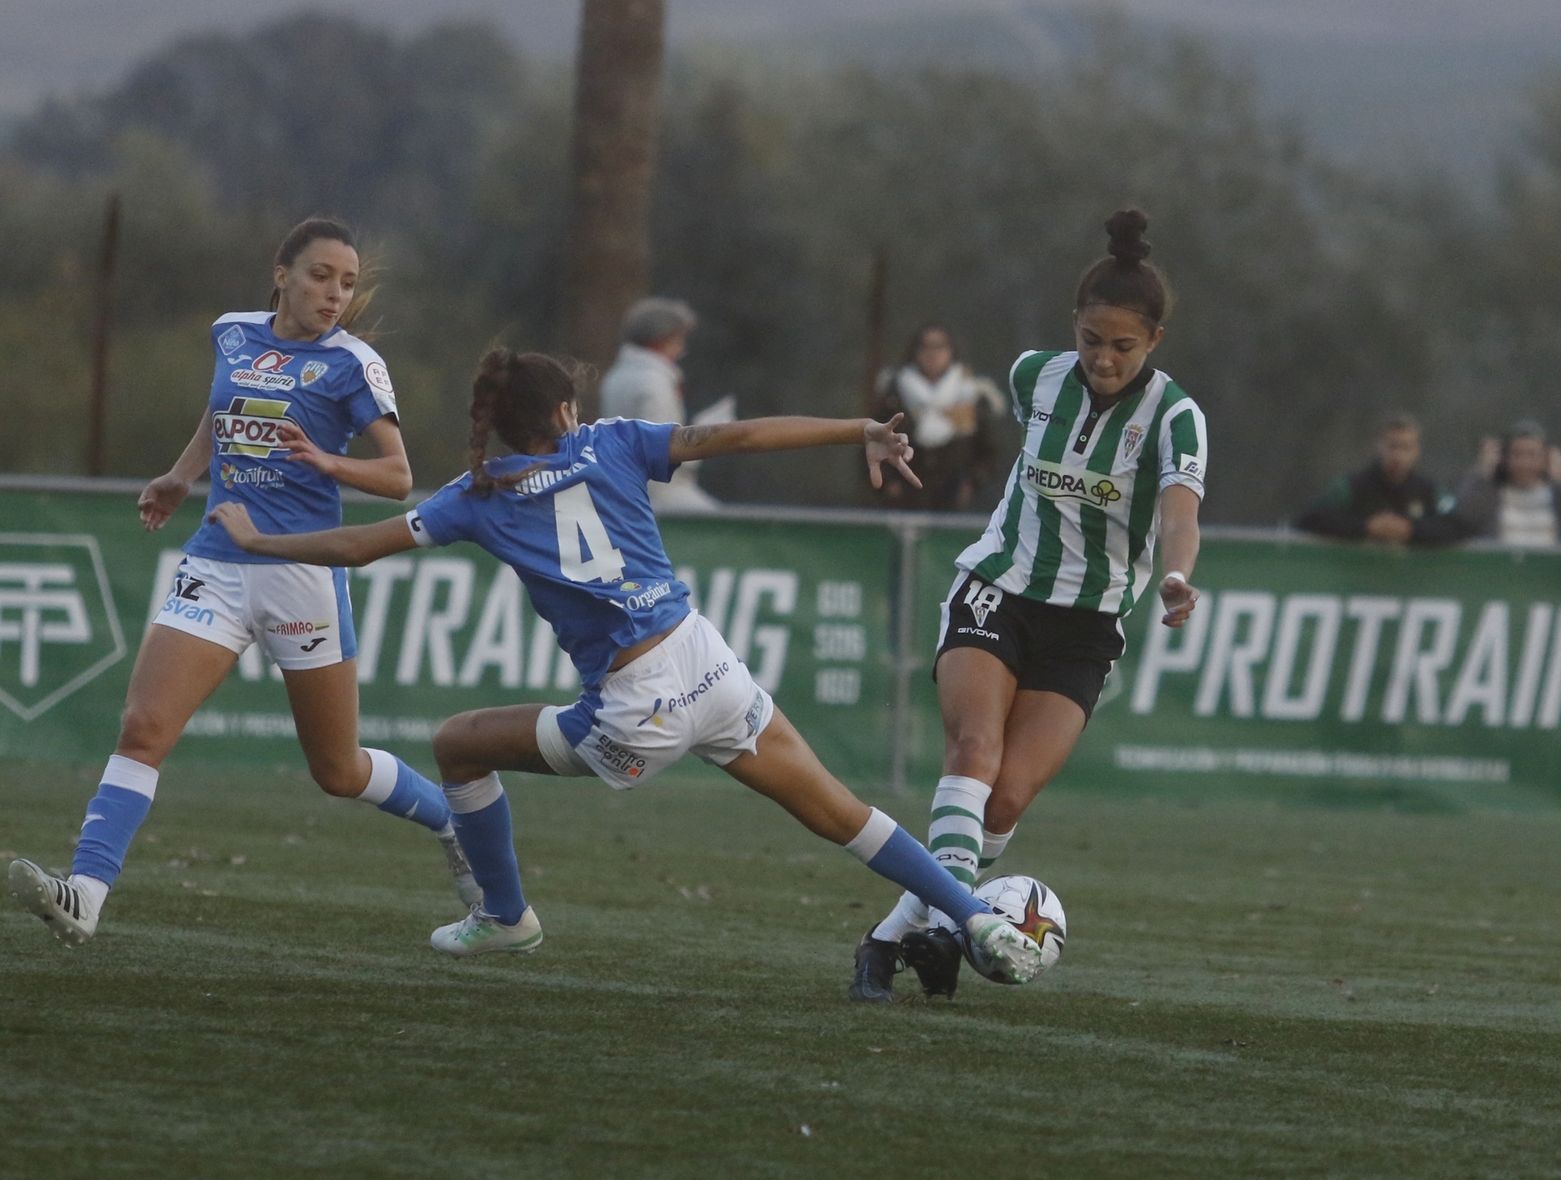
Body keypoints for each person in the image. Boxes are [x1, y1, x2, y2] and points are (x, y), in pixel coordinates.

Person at [205, 347, 1046, 984]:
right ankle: (976, 917)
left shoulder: (479, 494)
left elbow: (356, 546)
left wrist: (257, 540)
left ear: (499, 426)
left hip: (635, 707)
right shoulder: (611, 443)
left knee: (458, 744)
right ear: (568, 410)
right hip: (708, 662)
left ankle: (503, 917)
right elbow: (741, 436)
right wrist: (856, 427)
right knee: (845, 814)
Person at [8, 217, 478, 947]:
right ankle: (86, 895)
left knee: (338, 769)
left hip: (301, 573)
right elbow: (220, 411)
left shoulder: (352, 363)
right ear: (281, 272)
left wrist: (329, 463)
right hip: (217, 561)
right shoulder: (232, 333)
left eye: (347, 283)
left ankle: (452, 820)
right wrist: (179, 475)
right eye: (321, 276)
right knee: (142, 730)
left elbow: (399, 477)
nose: (334, 294)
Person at [849, 208, 1206, 1002]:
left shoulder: (1176, 418)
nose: (1103, 359)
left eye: (1123, 346)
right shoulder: (1031, 376)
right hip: (998, 588)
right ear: (1072, 330)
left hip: (1087, 625)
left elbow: (1180, 513)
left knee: (1004, 801)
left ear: (1154, 342)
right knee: (973, 753)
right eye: (1091, 340)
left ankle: (893, 938)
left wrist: (1177, 579)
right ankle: (962, 926)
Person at [597, 296, 722, 513]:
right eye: (678, 339)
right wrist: (708, 439)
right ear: (662, 339)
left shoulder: (616, 376)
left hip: (625, 488)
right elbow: (663, 450)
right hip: (660, 494)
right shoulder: (654, 383)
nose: (681, 348)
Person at [873, 322, 1007, 510]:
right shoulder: (893, 395)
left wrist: (972, 483)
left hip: (958, 507)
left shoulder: (970, 394)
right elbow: (874, 443)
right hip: (903, 503)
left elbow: (990, 453)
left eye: (939, 346)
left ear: (951, 350)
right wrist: (889, 483)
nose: (932, 353)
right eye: (925, 346)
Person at [1295, 413, 1472, 545]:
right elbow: (1311, 518)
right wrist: (1366, 527)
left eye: (1405, 448)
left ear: (1416, 451)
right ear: (1379, 447)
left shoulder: (1429, 491)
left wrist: (1411, 530)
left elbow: (1460, 525)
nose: (1398, 455)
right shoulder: (1353, 487)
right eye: (1392, 446)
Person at [1454, 420, 1561, 546]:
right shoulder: (1488, 497)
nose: (1524, 463)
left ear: (1546, 458)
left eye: (1532, 455)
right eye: (1517, 454)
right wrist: (1482, 474)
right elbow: (1459, 521)